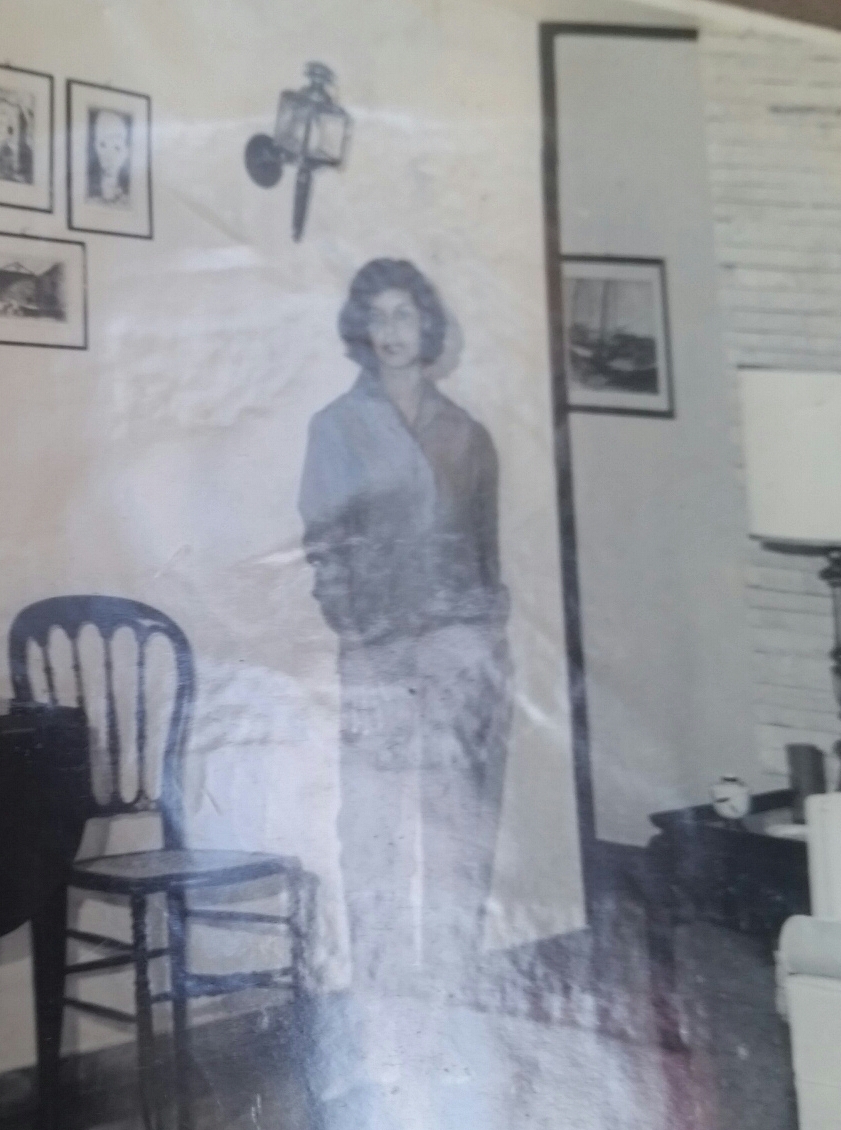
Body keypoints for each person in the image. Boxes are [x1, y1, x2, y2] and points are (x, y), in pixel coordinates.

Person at [298, 256, 513, 1126]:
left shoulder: (468, 435)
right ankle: (382, 1037)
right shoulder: (335, 427)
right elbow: (322, 543)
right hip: (378, 656)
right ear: (362, 328)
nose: (392, 331)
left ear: (428, 326)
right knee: (376, 841)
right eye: (378, 316)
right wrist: (360, 632)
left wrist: (480, 641)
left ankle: (449, 1025)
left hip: (461, 652)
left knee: (456, 841)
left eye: (405, 315)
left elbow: (483, 555)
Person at [87, 108, 131, 206]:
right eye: (103, 145)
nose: (109, 156)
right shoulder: (89, 198)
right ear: (95, 146)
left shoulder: (129, 199)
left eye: (117, 148)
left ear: (126, 152)